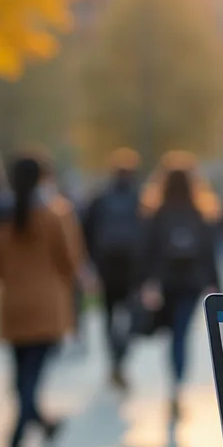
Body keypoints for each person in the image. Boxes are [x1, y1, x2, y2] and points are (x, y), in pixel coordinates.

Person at [0, 152, 83, 447]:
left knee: (22, 380)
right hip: (46, 307)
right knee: (30, 382)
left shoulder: (1, 218)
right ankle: (15, 445)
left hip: (13, 306)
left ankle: (42, 424)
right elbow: (69, 260)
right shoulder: (55, 215)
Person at [138, 152, 221, 420]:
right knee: (182, 335)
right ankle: (177, 387)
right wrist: (215, 284)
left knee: (172, 335)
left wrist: (147, 283)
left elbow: (147, 250)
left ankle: (173, 384)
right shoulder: (200, 212)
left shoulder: (157, 213)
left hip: (166, 282)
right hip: (192, 282)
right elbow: (209, 252)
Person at [83, 148, 144, 392]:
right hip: (132, 269)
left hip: (106, 267)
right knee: (132, 317)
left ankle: (113, 360)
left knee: (108, 316)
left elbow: (86, 231)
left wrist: (91, 262)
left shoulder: (100, 199)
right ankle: (120, 358)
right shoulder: (140, 199)